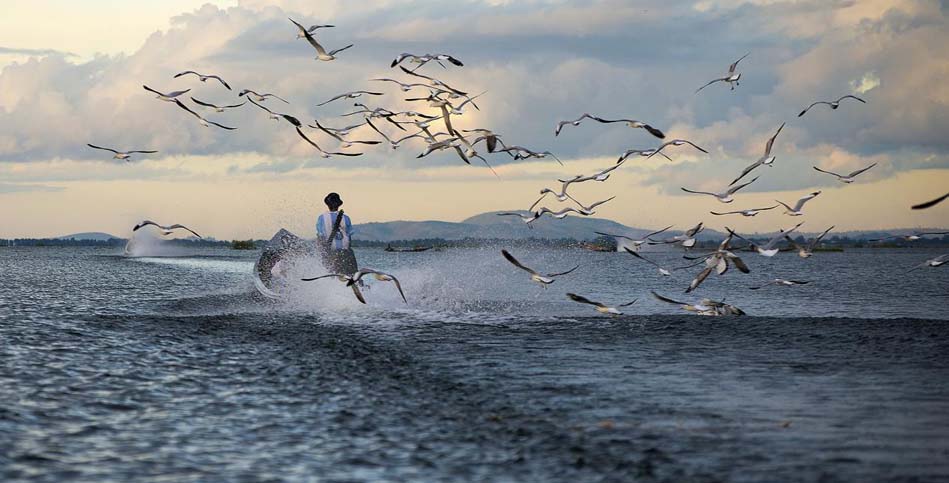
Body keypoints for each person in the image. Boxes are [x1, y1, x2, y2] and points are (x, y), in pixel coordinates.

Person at [316, 192, 358, 275]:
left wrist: (322, 253)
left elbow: (320, 237)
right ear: (339, 205)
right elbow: (349, 238)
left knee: (332, 276)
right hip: (346, 253)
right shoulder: (346, 218)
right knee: (352, 277)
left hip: (331, 253)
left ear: (327, 204)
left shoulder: (322, 218)